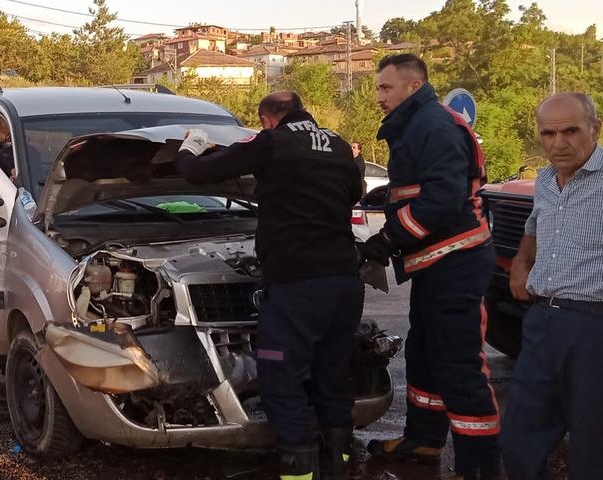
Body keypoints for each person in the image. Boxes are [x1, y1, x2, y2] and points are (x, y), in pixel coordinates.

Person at [176, 91, 364, 480]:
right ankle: (340, 466)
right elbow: (354, 194)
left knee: (281, 378)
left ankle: (299, 473)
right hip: (345, 280)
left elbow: (197, 173)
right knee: (332, 374)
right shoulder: (339, 145)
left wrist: (190, 147)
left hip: (298, 282)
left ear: (267, 119)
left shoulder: (271, 142)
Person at [360, 54, 499, 480]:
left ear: (414, 86)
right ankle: (423, 439)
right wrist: (386, 197)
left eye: (386, 87)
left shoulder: (434, 126)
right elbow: (420, 186)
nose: (379, 96)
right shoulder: (419, 124)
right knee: (424, 355)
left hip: (456, 261)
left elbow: (442, 198)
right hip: (436, 263)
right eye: (379, 88)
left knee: (458, 364)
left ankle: (478, 467)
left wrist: (388, 238)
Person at [500, 93, 603, 480]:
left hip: (593, 328)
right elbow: (535, 226)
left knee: (592, 450)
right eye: (548, 133)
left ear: (595, 129)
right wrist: (521, 263)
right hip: (541, 321)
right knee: (518, 440)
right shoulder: (544, 180)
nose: (558, 143)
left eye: (570, 131)